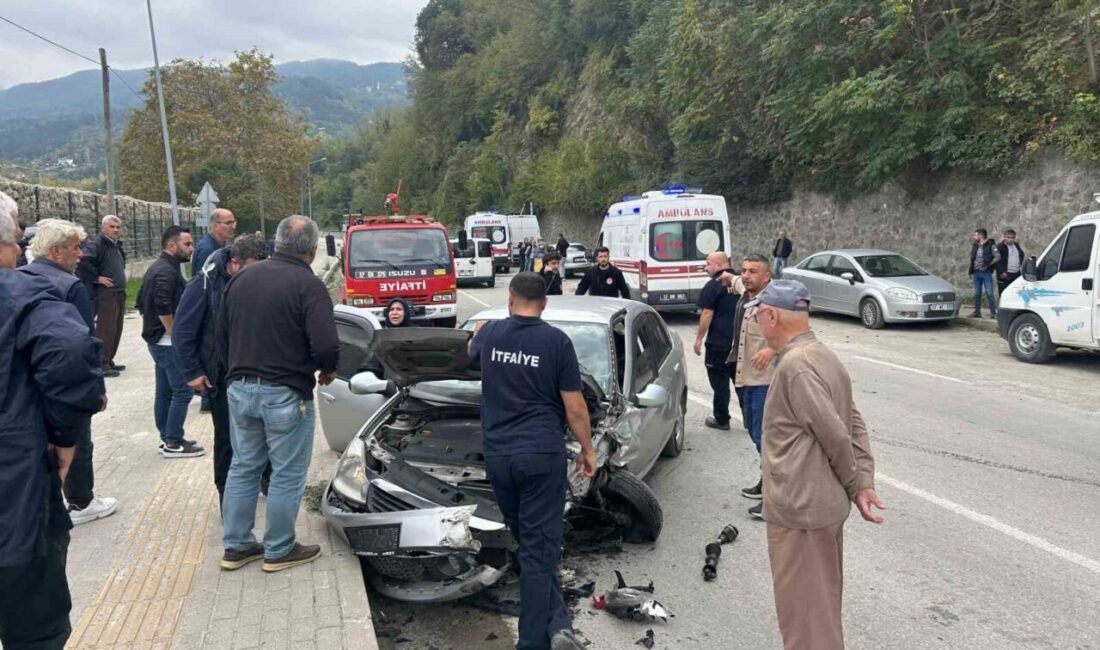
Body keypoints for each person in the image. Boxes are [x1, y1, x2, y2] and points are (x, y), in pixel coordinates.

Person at [748, 279, 884, 650]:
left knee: (806, 624)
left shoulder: (796, 365)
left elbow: (837, 434)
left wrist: (857, 485)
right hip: (817, 508)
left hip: (801, 514)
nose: (759, 324)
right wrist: (862, 480)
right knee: (819, 611)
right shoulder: (821, 354)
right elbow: (853, 421)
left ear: (771, 315)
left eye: (759, 315)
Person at [0, 193, 106, 649]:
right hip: (16, 505)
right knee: (35, 629)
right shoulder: (18, 294)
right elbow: (72, 355)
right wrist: (65, 443)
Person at [469, 273, 595, 650]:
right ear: (545, 302)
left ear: (510, 298)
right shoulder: (557, 342)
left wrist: (479, 334)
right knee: (539, 550)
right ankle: (532, 642)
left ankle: (558, 625)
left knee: (530, 545)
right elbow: (575, 407)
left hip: (499, 457)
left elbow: (467, 353)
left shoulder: (489, 334)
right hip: (541, 456)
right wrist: (588, 450)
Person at [217, 215, 339, 573]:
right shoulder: (307, 284)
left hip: (239, 389)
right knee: (286, 472)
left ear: (276, 243)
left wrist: (234, 374)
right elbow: (327, 344)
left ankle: (236, 546)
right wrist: (327, 370)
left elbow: (221, 337)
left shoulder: (240, 278)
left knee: (243, 466)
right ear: (314, 250)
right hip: (285, 393)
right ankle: (279, 549)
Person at [19, 219, 118, 526]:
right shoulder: (70, 286)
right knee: (78, 438)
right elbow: (86, 342)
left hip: (30, 380)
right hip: (67, 379)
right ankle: (82, 500)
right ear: (55, 252)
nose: (81, 254)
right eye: (75, 248)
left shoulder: (18, 278)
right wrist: (97, 388)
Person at [173, 235, 269, 510]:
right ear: (234, 264)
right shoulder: (204, 283)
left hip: (257, 372)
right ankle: (228, 496)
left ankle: (267, 482)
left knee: (265, 433)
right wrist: (192, 371)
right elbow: (182, 330)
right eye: (253, 269)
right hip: (221, 375)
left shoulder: (258, 279)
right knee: (228, 437)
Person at [138, 226, 203, 458]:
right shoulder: (165, 271)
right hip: (166, 342)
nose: (191, 248)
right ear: (171, 246)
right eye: (187, 244)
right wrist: (175, 335)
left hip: (159, 341)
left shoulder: (162, 267)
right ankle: (173, 443)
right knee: (183, 392)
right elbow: (162, 304)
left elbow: (140, 301)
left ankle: (167, 437)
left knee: (164, 392)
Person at [719, 254, 775, 519]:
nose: (747, 275)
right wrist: (726, 276)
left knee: (767, 440)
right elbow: (736, 281)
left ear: (767, 277)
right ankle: (767, 483)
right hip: (744, 376)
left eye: (754, 271)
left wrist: (772, 349)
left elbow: (796, 333)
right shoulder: (747, 290)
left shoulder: (775, 301)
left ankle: (775, 501)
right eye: (744, 270)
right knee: (755, 434)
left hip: (764, 382)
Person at [694, 252, 740, 432]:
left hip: (719, 343)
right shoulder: (740, 282)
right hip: (740, 342)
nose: (706, 267)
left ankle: (721, 419)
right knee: (742, 382)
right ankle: (752, 419)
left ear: (719, 265)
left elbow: (707, 313)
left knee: (720, 383)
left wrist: (699, 338)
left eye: (708, 264)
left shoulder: (714, 285)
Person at [77, 215, 128, 377]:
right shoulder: (98, 243)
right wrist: (97, 278)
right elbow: (83, 261)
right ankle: (101, 362)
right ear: (103, 227)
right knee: (106, 328)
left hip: (118, 291)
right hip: (106, 293)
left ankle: (109, 358)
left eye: (118, 227)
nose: (115, 230)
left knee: (116, 328)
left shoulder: (115, 245)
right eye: (112, 226)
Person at [191, 208, 237, 276]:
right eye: (228, 223)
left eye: (234, 223)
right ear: (216, 226)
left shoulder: (220, 245)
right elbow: (205, 281)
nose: (233, 227)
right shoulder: (207, 249)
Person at [969, 228, 1001, 319]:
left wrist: (989, 264)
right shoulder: (975, 245)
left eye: (975, 235)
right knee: (976, 293)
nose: (974, 237)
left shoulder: (991, 245)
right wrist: (970, 271)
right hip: (976, 272)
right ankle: (977, 312)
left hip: (986, 272)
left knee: (989, 293)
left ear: (980, 235)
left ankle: (993, 313)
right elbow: (972, 258)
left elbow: (998, 257)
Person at [997, 229, 1025, 297]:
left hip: (1016, 273)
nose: (1010, 239)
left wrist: (1020, 265)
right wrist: (1001, 272)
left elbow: (1021, 254)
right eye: (1008, 237)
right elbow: (997, 261)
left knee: (1016, 293)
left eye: (1012, 237)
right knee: (1004, 293)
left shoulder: (1016, 245)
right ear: (1004, 237)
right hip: (1006, 274)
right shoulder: (1000, 247)